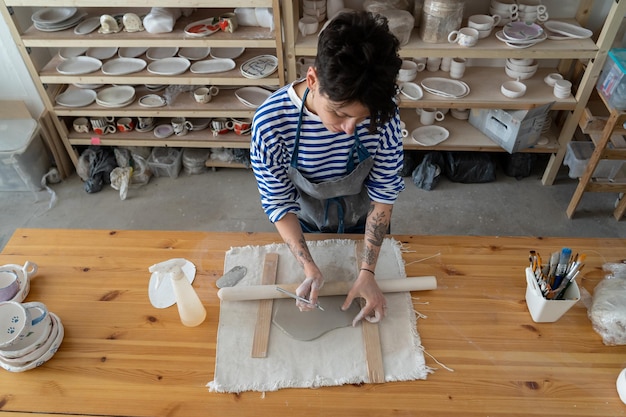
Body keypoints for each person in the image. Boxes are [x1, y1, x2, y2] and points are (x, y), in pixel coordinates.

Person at [250, 10, 404, 326]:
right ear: (312, 79)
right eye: (338, 112)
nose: (350, 129)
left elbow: (384, 194)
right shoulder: (271, 124)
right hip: (305, 222)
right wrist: (310, 268)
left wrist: (367, 273)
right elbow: (278, 203)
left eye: (360, 118)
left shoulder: (384, 117)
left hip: (365, 219)